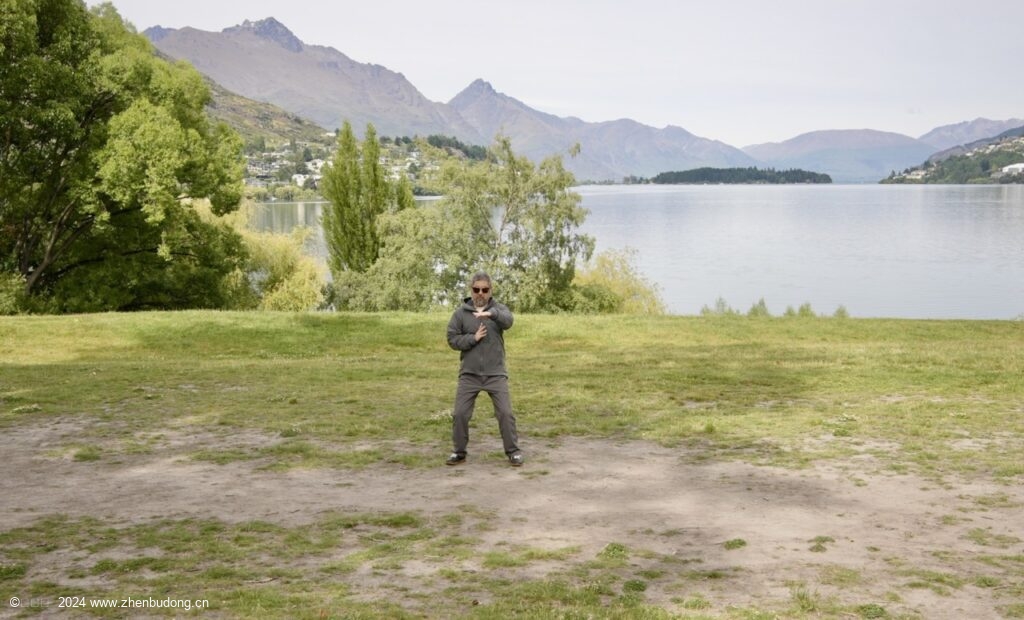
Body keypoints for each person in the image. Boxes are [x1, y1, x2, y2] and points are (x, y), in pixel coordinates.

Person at [445, 271, 524, 467]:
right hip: (469, 375)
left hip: (495, 374)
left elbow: (509, 321)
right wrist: (473, 338)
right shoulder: (460, 314)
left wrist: (492, 314)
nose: (480, 293)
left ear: (490, 290)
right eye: (476, 289)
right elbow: (452, 339)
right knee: (460, 414)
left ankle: (513, 452)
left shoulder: (499, 310)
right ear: (471, 290)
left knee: (505, 413)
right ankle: (459, 452)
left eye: (485, 290)